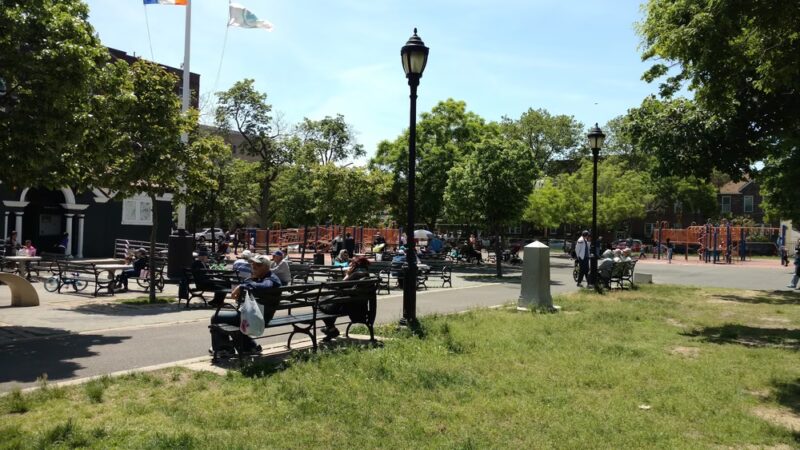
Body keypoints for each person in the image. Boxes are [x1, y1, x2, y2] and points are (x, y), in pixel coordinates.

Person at [210, 254, 282, 356]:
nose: (254, 267)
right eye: (253, 264)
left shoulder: (270, 279)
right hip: (259, 315)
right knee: (233, 320)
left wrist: (242, 286)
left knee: (216, 317)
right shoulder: (263, 277)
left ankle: (224, 348)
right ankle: (250, 346)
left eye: (258, 265)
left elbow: (265, 286)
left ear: (266, 267)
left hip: (258, 318)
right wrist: (250, 281)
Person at [320, 256, 372, 341]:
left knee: (321, 304)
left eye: (351, 263)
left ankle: (331, 328)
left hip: (349, 307)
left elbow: (339, 286)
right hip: (360, 307)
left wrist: (347, 275)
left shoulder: (356, 274)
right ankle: (331, 329)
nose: (349, 264)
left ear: (355, 264)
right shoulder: (366, 274)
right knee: (330, 303)